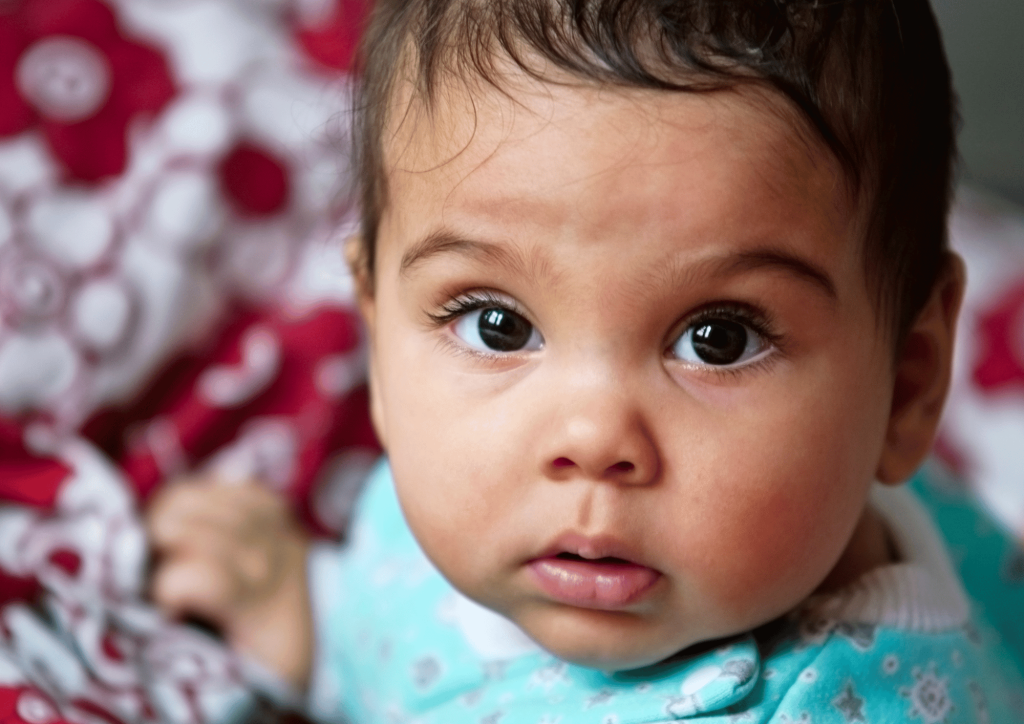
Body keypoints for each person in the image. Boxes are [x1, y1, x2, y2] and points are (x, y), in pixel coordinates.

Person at [146, 0, 1024, 721]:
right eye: (497, 325)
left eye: (717, 339)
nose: (591, 437)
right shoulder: (498, 522)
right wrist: (319, 627)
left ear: (907, 387)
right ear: (378, 335)